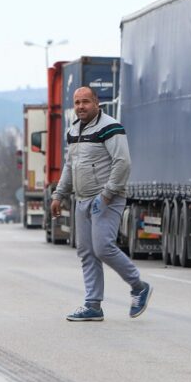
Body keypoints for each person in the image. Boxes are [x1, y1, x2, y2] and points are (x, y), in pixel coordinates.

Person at [50, 86, 152, 321]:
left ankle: (138, 286)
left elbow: (122, 162)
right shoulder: (74, 130)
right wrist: (59, 195)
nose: (80, 107)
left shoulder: (110, 127)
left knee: (103, 247)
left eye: (85, 102)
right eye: (77, 103)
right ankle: (93, 305)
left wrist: (106, 195)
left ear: (96, 102)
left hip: (107, 198)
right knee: (87, 252)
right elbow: (70, 165)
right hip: (82, 199)